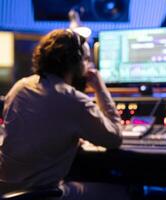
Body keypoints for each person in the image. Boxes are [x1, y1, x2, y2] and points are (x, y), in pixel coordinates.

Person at [0, 29, 124, 199]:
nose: (88, 65)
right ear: (75, 61)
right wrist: (100, 89)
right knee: (121, 192)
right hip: (42, 194)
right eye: (86, 59)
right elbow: (114, 138)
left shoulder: (19, 87)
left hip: (5, 191)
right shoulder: (73, 100)